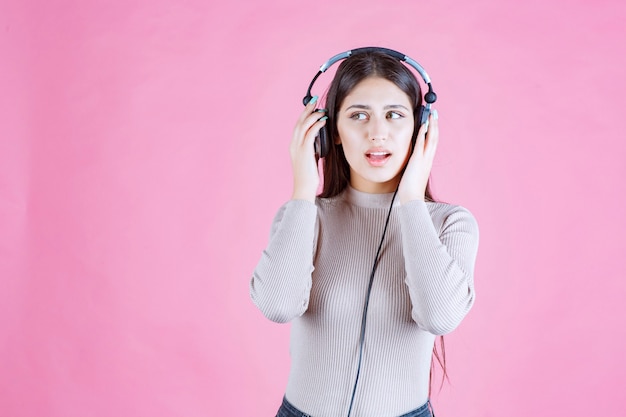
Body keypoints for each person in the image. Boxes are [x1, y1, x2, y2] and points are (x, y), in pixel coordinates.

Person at [250, 50, 479, 417]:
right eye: (358, 115)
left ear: (421, 129)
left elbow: (439, 317)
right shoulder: (304, 216)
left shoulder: (450, 224)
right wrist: (304, 189)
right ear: (331, 133)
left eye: (394, 115)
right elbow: (278, 305)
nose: (377, 133)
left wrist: (410, 201)